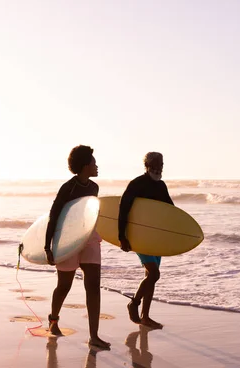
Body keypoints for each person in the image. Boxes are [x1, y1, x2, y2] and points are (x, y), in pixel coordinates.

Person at [44, 145, 110, 349]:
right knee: (64, 285)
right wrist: (48, 247)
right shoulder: (68, 188)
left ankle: (94, 336)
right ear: (85, 165)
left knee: (93, 287)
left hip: (89, 238)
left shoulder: (94, 187)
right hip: (67, 240)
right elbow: (54, 215)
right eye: (93, 162)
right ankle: (53, 320)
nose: (96, 165)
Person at [118, 152, 173, 329]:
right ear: (147, 166)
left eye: (161, 166)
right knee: (154, 274)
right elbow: (123, 209)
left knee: (151, 276)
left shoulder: (161, 186)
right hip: (139, 235)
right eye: (155, 166)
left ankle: (146, 317)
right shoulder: (136, 184)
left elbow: (171, 210)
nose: (158, 170)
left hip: (155, 238)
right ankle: (134, 303)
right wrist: (122, 236)